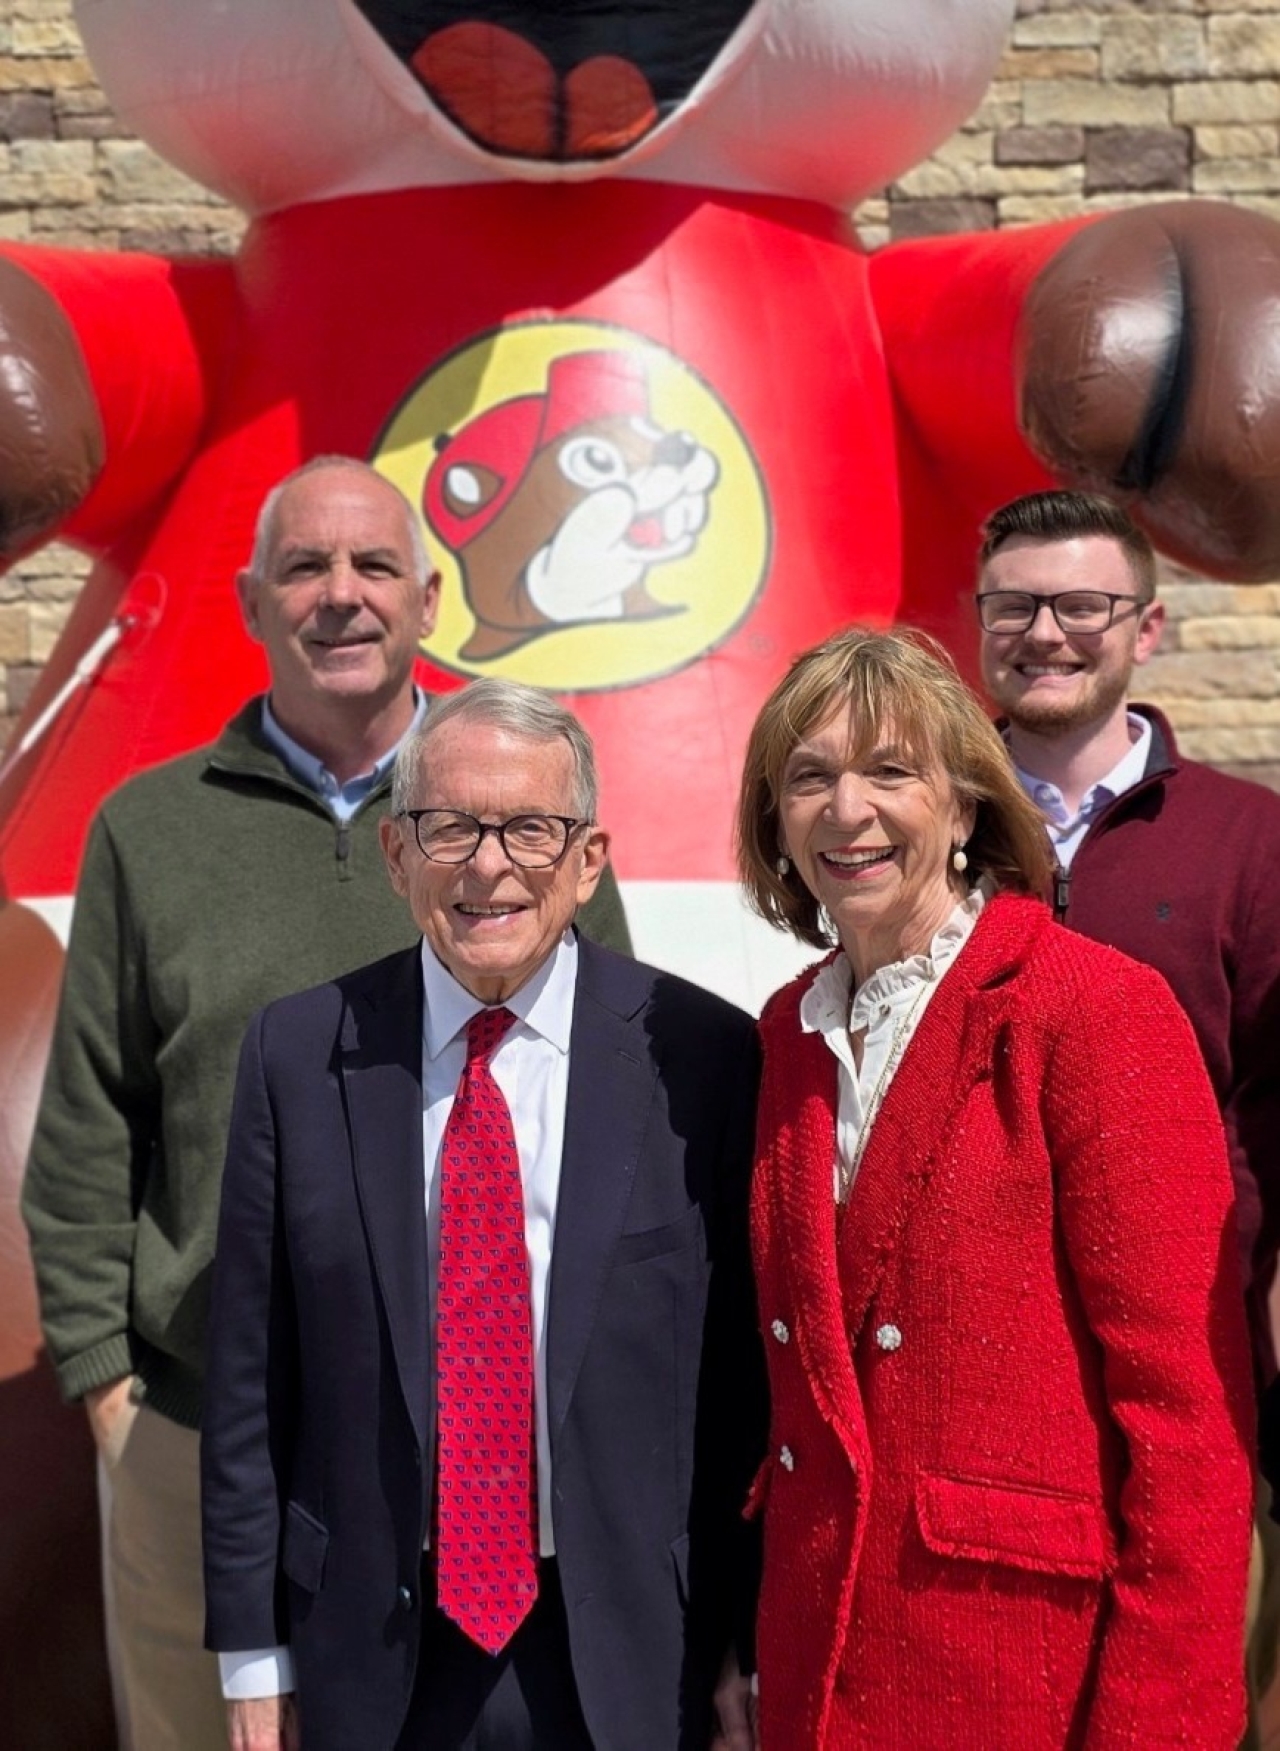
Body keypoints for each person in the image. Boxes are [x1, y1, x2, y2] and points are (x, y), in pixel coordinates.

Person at [21, 458, 631, 1751]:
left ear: (426, 597)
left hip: (469, 1427)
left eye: (370, 568)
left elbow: (613, 1092)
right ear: (252, 600)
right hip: (192, 1418)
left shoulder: (527, 811)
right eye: (305, 567)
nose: (339, 597)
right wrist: (109, 1386)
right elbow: (88, 1127)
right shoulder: (151, 828)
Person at [200, 678, 762, 1751]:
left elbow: (736, 1384)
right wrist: (253, 1655)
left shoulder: (699, 1055)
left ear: (588, 859)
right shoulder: (296, 1053)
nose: (488, 864)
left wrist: (742, 1633)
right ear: (398, 854)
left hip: (630, 1648)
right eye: (450, 825)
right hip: (373, 1645)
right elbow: (247, 1384)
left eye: (530, 828)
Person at [734, 625, 1253, 1748]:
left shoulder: (1087, 1008)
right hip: (816, 1668)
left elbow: (1187, 1426)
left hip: (1020, 1676)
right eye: (808, 776)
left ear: (966, 804)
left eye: (889, 771)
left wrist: (1155, 1726)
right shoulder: (786, 1031)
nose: (845, 809)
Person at [974, 487, 1280, 1742]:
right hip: (963, 1386)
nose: (1045, 630)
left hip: (1186, 1385)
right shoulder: (907, 826)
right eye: (1013, 604)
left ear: (1144, 627)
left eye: (1081, 604)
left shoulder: (1248, 842)